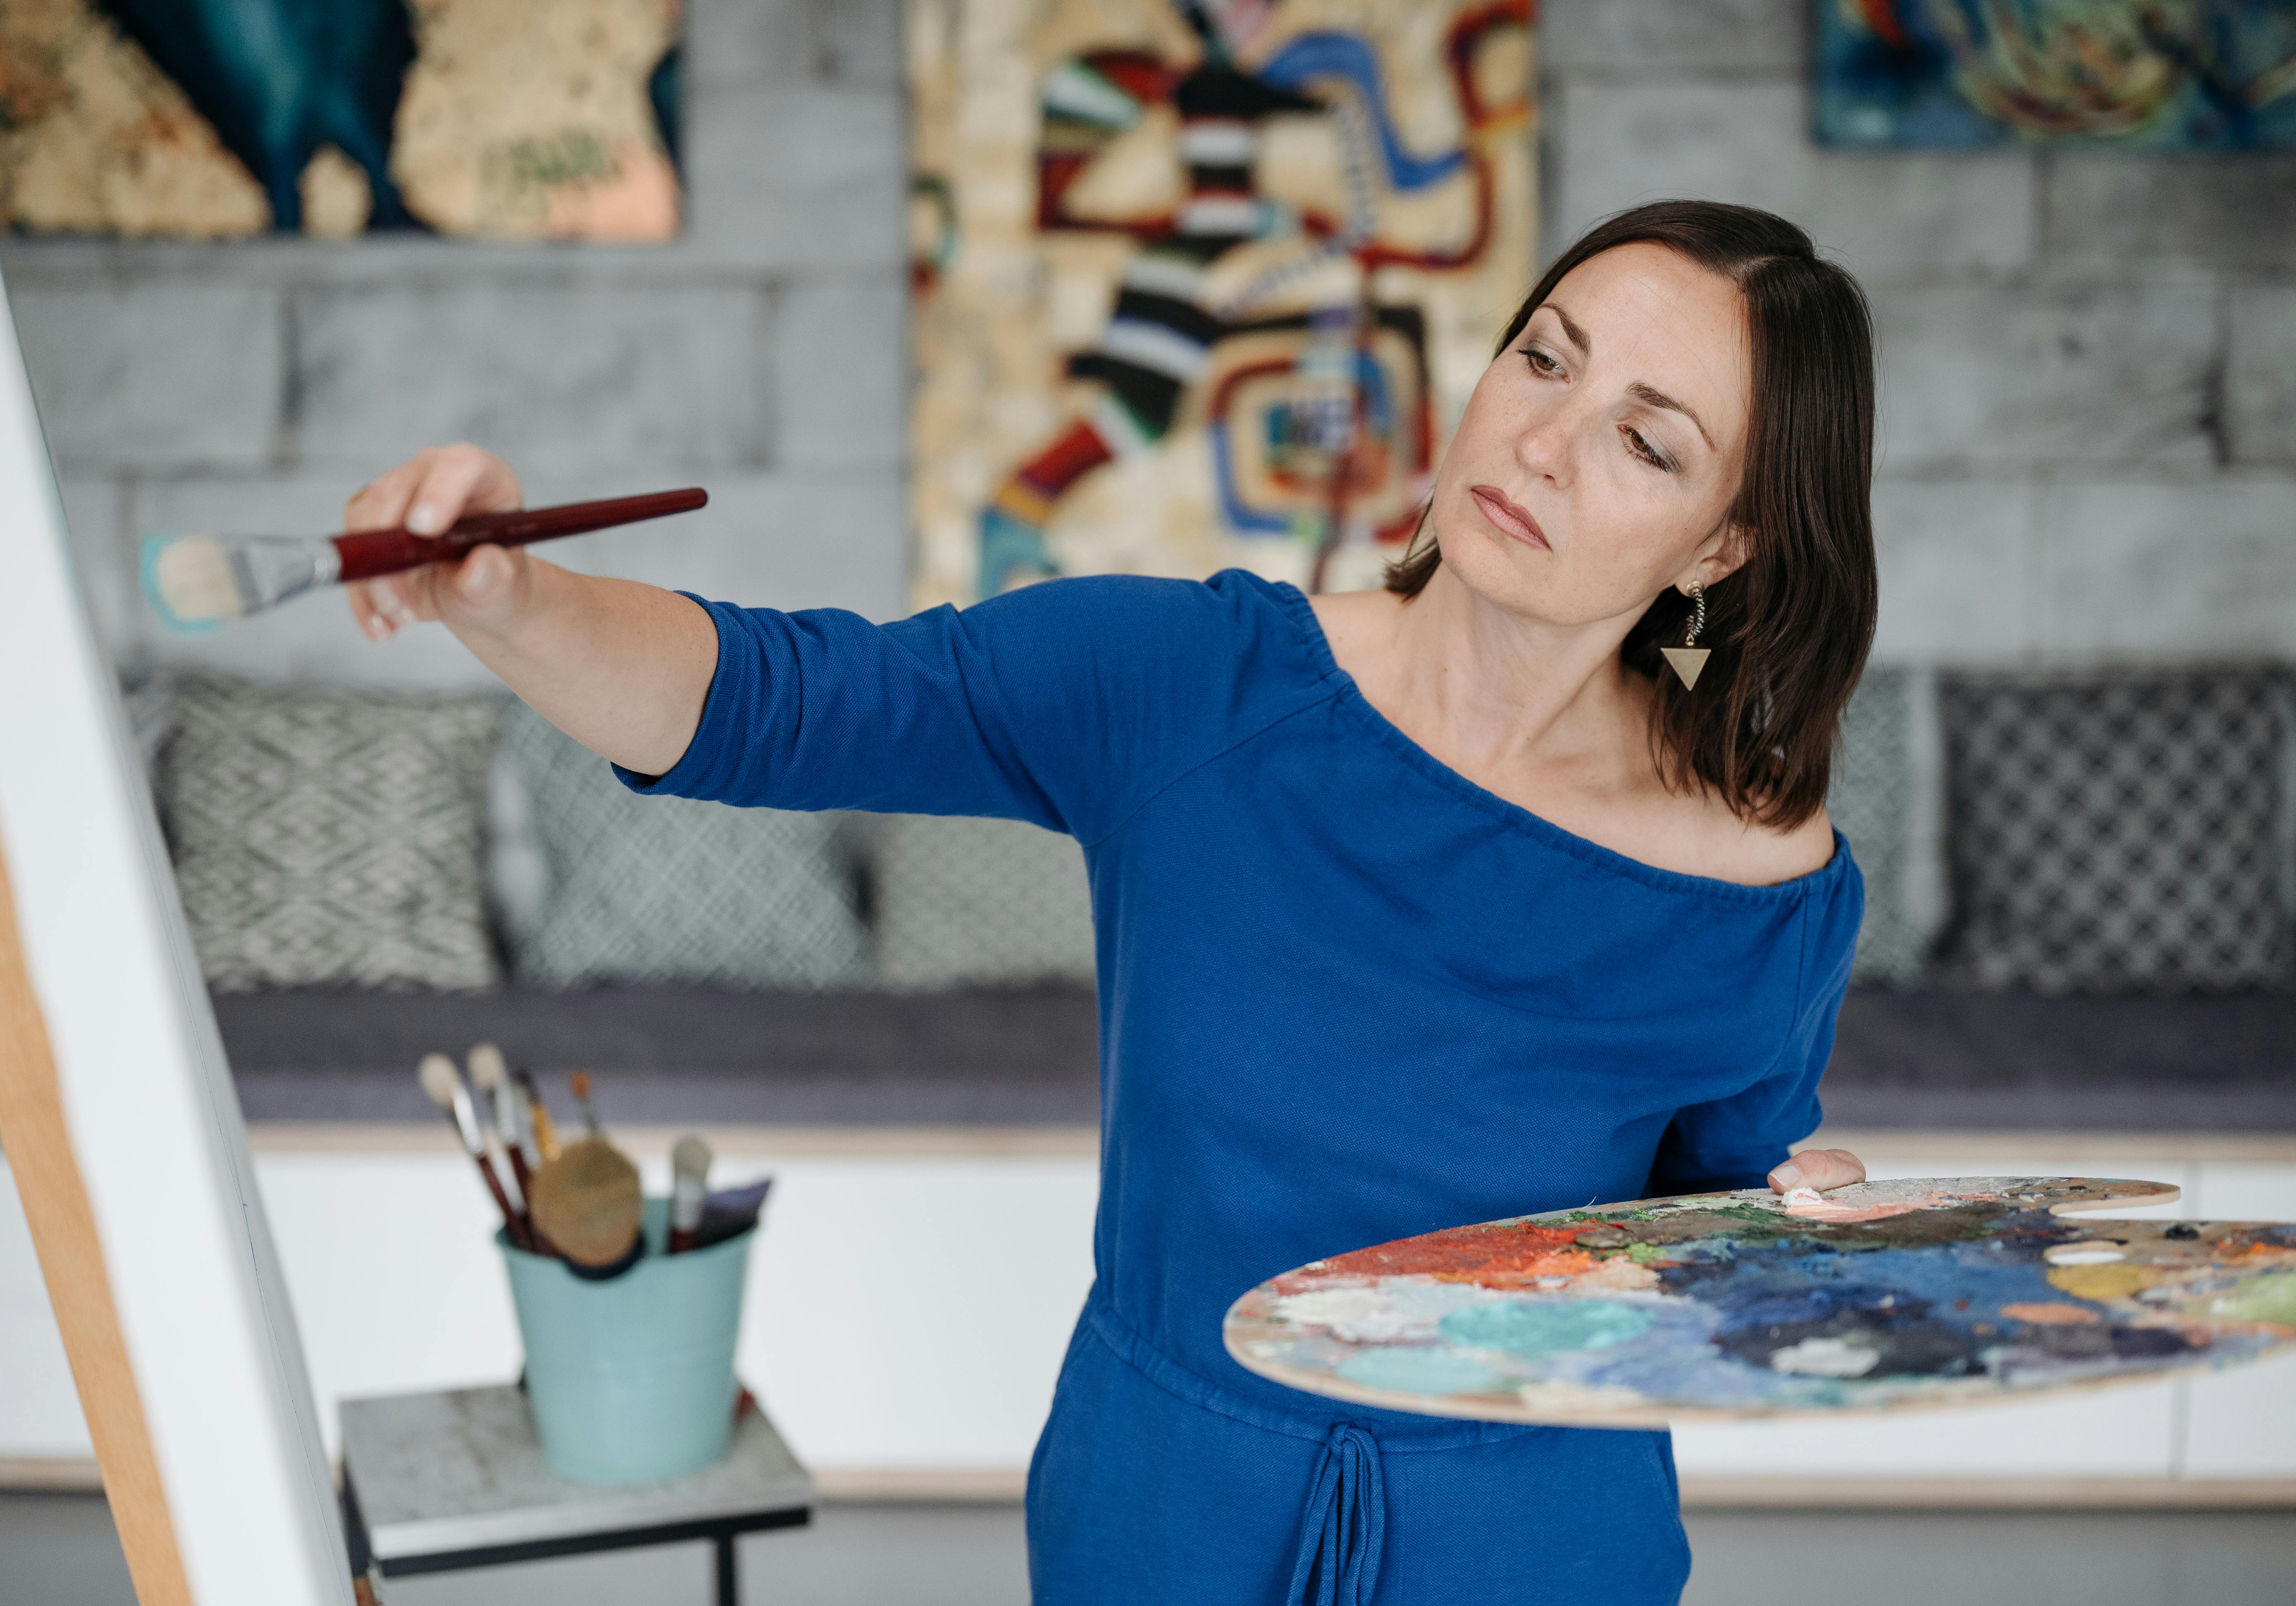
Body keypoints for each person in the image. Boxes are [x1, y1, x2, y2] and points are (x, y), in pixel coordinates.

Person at [344, 199, 1877, 1604]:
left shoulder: (1758, 876)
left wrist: (1795, 1224)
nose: (1543, 440)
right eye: (1544, 358)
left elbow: (1696, 1225)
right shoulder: (1191, 689)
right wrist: (513, 599)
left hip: (1544, 1544)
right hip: (1165, 1522)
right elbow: (778, 699)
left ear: (1725, 544)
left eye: (1646, 442)